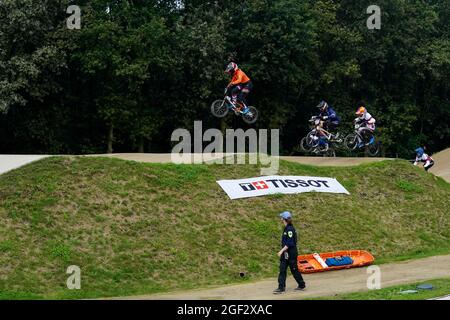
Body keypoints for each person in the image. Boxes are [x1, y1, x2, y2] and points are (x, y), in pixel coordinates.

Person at [274, 211, 306, 294]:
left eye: (282, 218)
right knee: (282, 269)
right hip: (286, 253)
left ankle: (301, 285)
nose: (281, 219)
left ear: (284, 219)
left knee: (294, 269)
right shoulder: (286, 228)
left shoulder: (290, 229)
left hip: (291, 253)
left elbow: (290, 243)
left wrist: (281, 251)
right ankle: (281, 288)